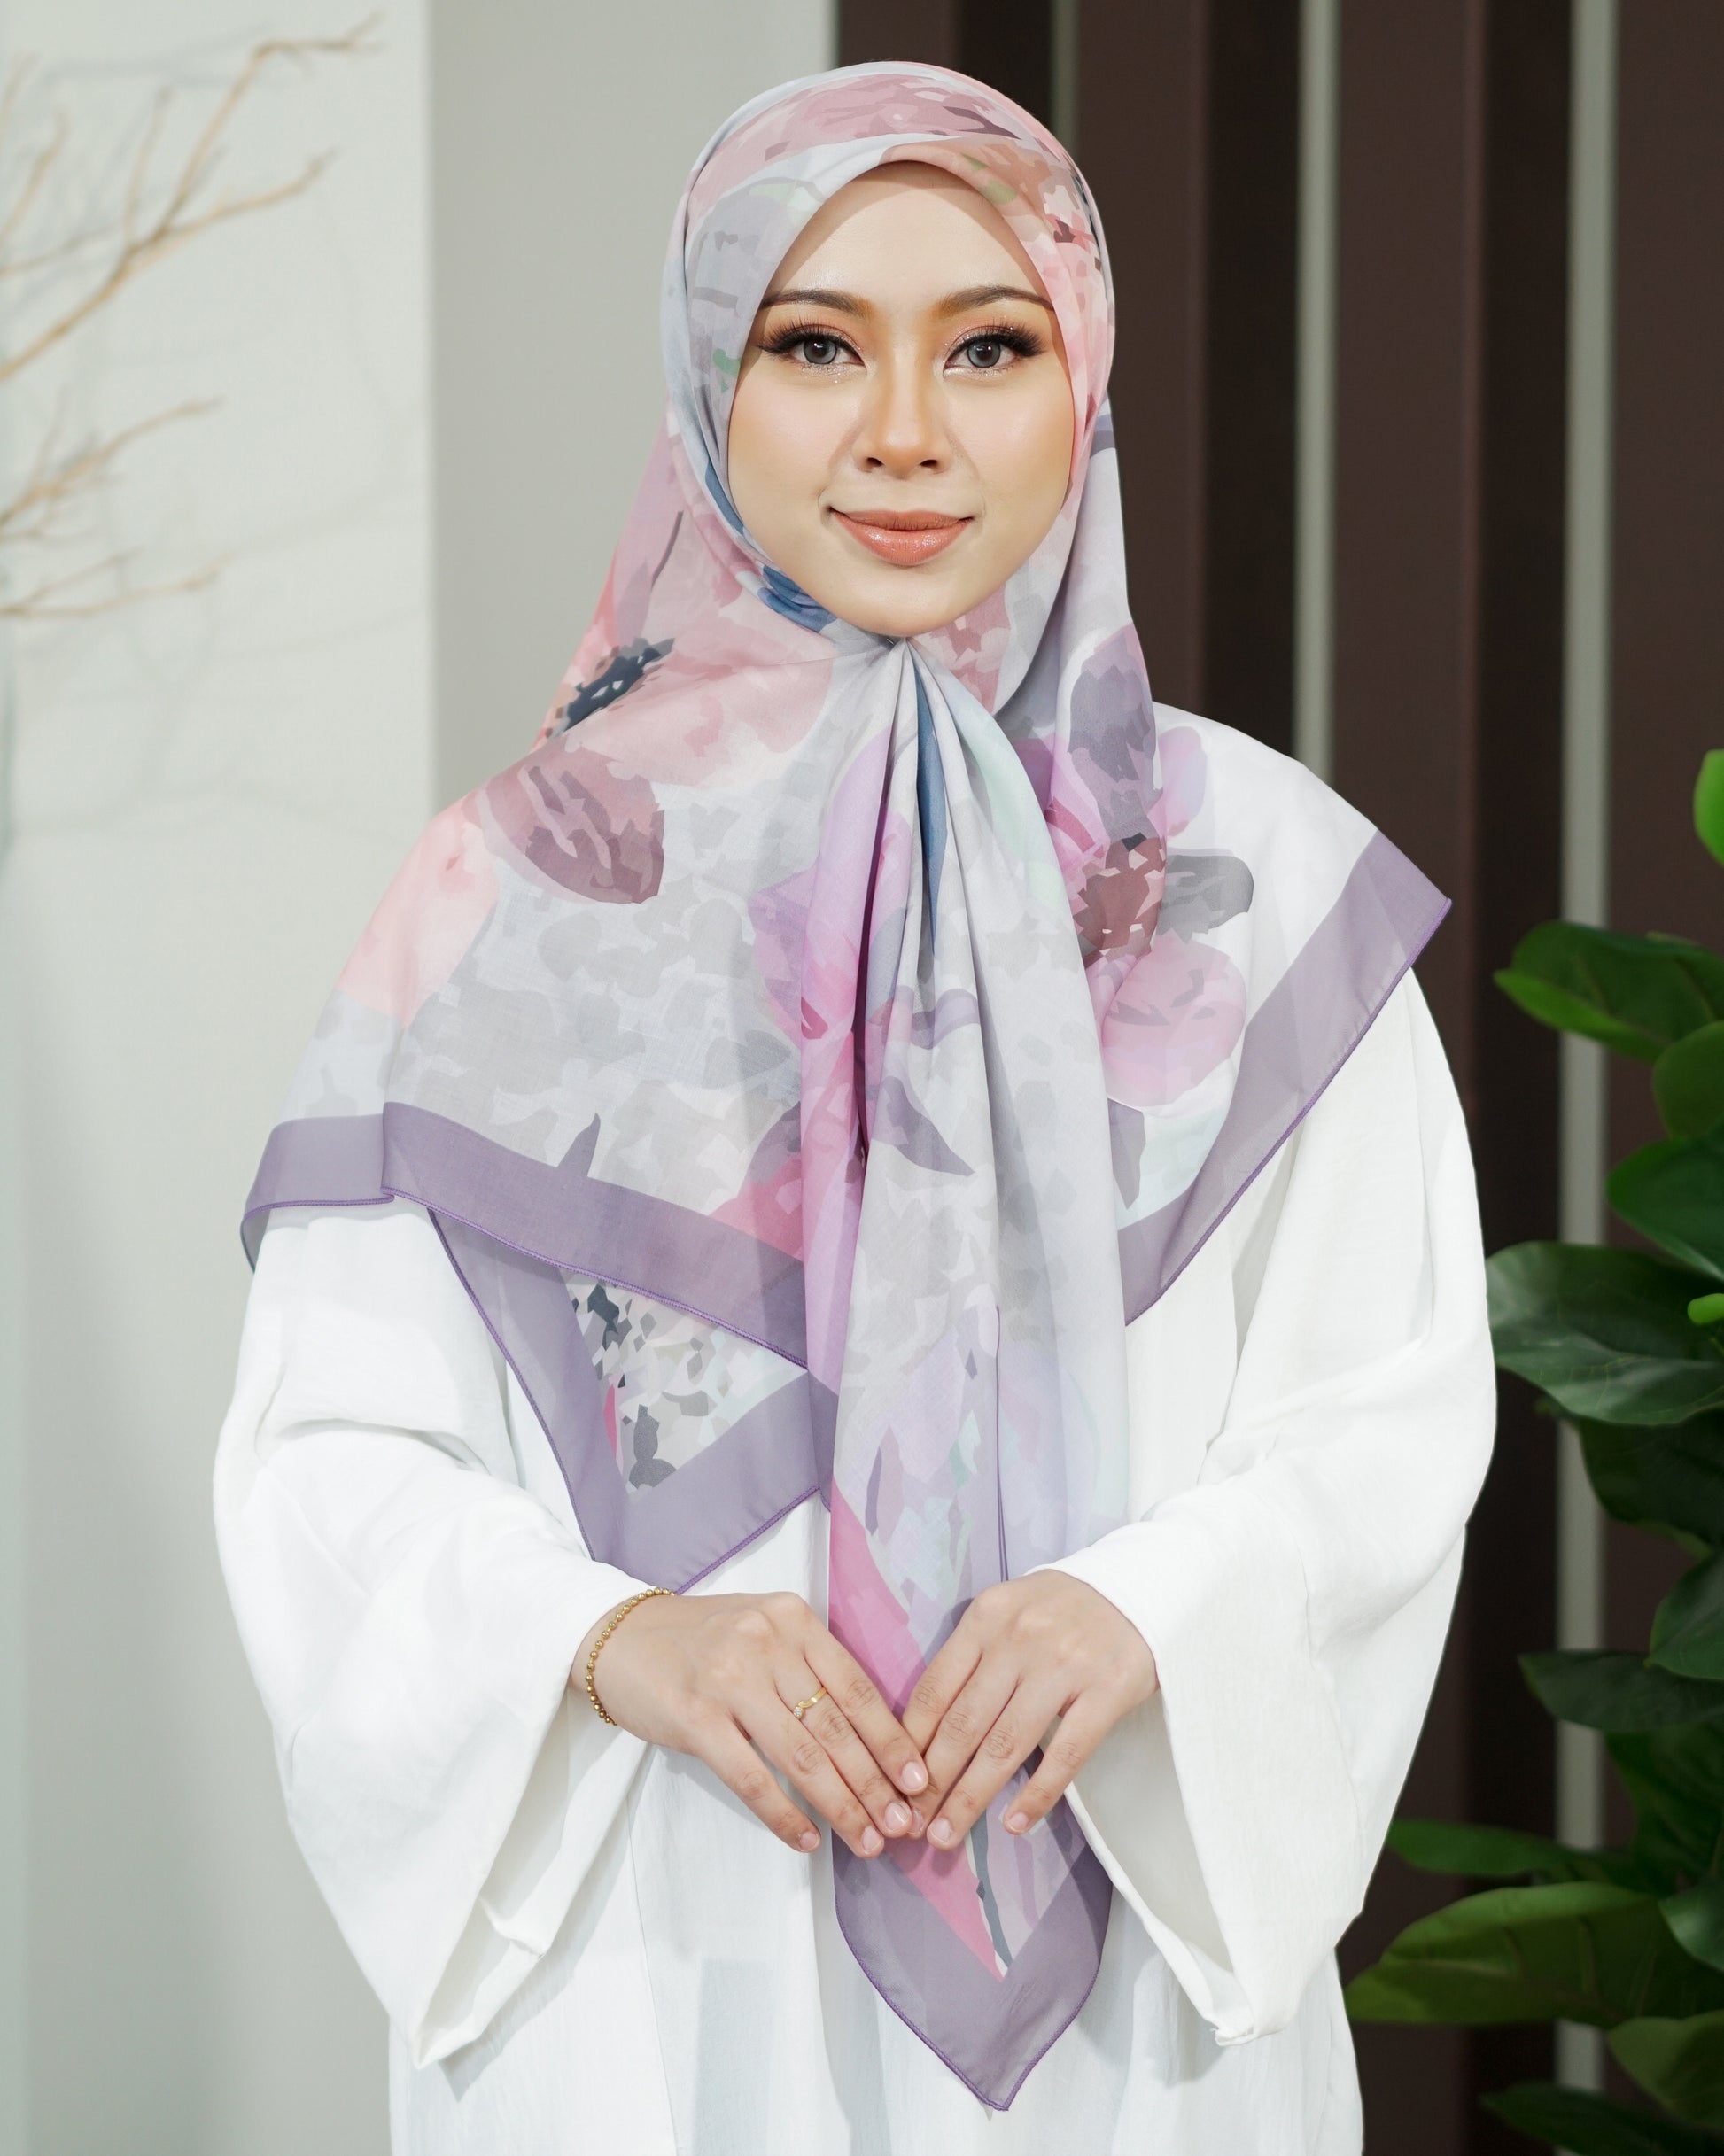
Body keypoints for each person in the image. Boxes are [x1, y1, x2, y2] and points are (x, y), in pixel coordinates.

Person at [216, 61, 1495, 2156]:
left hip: (1113, 1919)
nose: (904, 430)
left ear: (1081, 382)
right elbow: (330, 1447)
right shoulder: (506, 901)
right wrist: (614, 1641)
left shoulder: (1257, 887)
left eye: (986, 347)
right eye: (815, 346)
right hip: (653, 1936)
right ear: (706, 380)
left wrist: (1150, 1605)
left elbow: (1386, 1402)